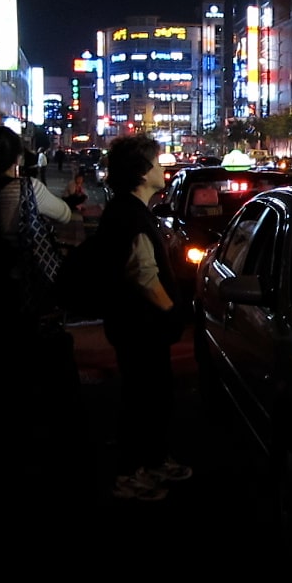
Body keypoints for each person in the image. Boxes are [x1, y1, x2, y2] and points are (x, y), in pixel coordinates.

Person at [0, 126, 77, 482]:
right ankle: (22, 442)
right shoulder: (27, 189)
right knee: (22, 362)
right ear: (16, 158)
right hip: (17, 292)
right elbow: (65, 216)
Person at [96, 134, 192, 501]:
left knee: (153, 397)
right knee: (142, 400)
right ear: (140, 172)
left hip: (137, 326)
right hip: (140, 326)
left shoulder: (129, 210)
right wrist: (172, 309)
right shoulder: (129, 214)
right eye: (155, 161)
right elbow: (144, 275)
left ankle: (153, 460)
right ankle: (129, 472)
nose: (162, 166)